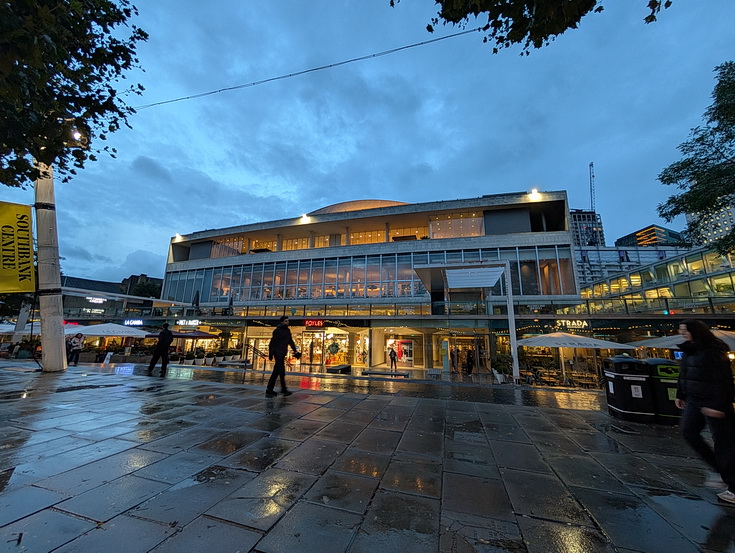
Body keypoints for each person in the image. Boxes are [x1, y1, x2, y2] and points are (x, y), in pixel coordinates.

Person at [675, 319, 735, 504]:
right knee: (688, 432)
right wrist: (680, 394)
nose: (682, 333)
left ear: (696, 331)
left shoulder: (713, 351)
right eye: (681, 330)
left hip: (714, 403)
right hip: (694, 400)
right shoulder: (689, 349)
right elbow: (684, 373)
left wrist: (716, 405)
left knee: (725, 443)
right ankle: (719, 468)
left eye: (685, 330)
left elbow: (723, 381)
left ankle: (733, 486)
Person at [266, 316, 300, 397]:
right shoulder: (277, 331)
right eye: (286, 321)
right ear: (281, 322)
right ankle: (273, 389)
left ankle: (280, 389)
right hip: (278, 354)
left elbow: (290, 341)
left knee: (280, 372)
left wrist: (295, 350)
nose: (287, 322)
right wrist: (271, 354)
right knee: (277, 372)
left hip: (281, 353)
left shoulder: (286, 331)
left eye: (288, 321)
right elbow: (272, 343)